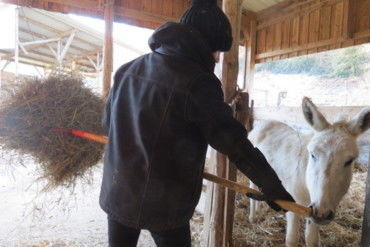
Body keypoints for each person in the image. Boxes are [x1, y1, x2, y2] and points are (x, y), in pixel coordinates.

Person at [100, 0, 294, 246]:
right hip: (164, 204)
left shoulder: (128, 69)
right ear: (206, 44)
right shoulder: (198, 82)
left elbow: (108, 123)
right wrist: (271, 185)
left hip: (118, 190)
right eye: (217, 51)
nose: (216, 57)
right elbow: (233, 142)